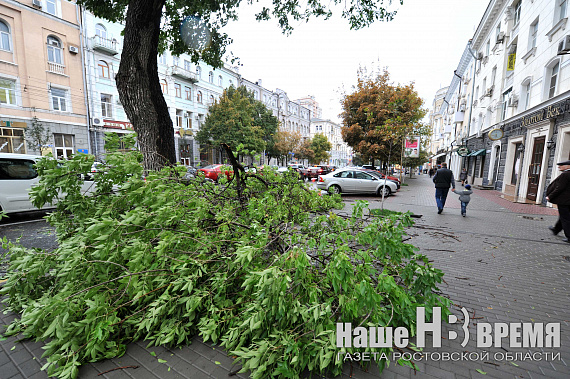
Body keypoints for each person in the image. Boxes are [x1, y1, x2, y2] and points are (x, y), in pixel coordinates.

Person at [545, 160, 570, 243]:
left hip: (564, 201)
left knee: (565, 218)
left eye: (562, 165)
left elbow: (560, 187)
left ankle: (569, 237)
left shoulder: (565, 174)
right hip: (567, 200)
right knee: (564, 216)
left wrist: (550, 196)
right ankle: (556, 229)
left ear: (568, 166)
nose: (559, 167)